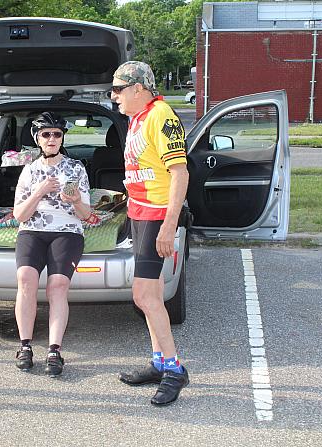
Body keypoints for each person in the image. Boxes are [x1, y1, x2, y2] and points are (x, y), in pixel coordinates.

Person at [110, 61, 190, 406]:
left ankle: (174, 369)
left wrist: (169, 226)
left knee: (143, 296)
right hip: (140, 213)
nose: (114, 97)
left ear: (138, 89)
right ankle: (159, 363)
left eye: (119, 90)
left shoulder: (162, 116)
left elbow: (180, 173)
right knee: (152, 294)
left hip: (158, 216)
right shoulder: (137, 118)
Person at [12, 112, 92, 377]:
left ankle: (54, 350)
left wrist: (77, 200)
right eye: (46, 134)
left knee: (58, 285)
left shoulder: (76, 168)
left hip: (66, 231)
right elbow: (20, 215)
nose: (52, 139)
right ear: (38, 139)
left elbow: (86, 214)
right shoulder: (29, 170)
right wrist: (40, 191)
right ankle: (24, 346)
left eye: (57, 134)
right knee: (26, 278)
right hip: (32, 230)